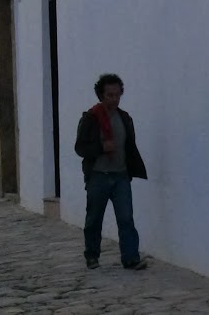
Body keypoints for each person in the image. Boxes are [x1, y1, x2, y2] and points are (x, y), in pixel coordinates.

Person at [74, 72, 149, 271]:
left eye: (117, 94)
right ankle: (91, 255)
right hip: (98, 175)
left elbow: (129, 146)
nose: (114, 99)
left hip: (121, 175)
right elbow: (80, 148)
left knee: (126, 218)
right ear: (101, 95)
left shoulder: (125, 118)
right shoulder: (91, 118)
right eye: (110, 95)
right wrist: (100, 148)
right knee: (94, 219)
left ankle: (131, 257)